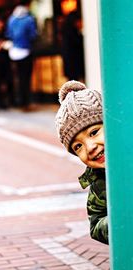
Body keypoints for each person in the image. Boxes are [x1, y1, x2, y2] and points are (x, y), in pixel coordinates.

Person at [55, 80, 108, 245]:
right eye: (78, 146)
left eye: (93, 132)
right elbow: (96, 225)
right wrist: (119, 219)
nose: (90, 147)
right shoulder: (99, 183)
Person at [6, 0, 37, 110]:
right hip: (25, 51)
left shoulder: (11, 19)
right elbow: (33, 35)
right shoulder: (29, 19)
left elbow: (9, 34)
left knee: (18, 77)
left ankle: (19, 101)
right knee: (26, 78)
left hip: (14, 52)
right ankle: (26, 102)